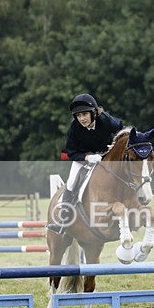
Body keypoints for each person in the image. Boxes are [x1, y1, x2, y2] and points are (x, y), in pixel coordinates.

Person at [48, 93, 124, 233]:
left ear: (93, 112)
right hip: (82, 159)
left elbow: (123, 130)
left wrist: (114, 145)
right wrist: (87, 157)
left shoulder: (106, 121)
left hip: (106, 157)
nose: (81, 119)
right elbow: (70, 152)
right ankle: (63, 220)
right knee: (71, 183)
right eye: (78, 115)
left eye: (84, 114)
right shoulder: (74, 128)